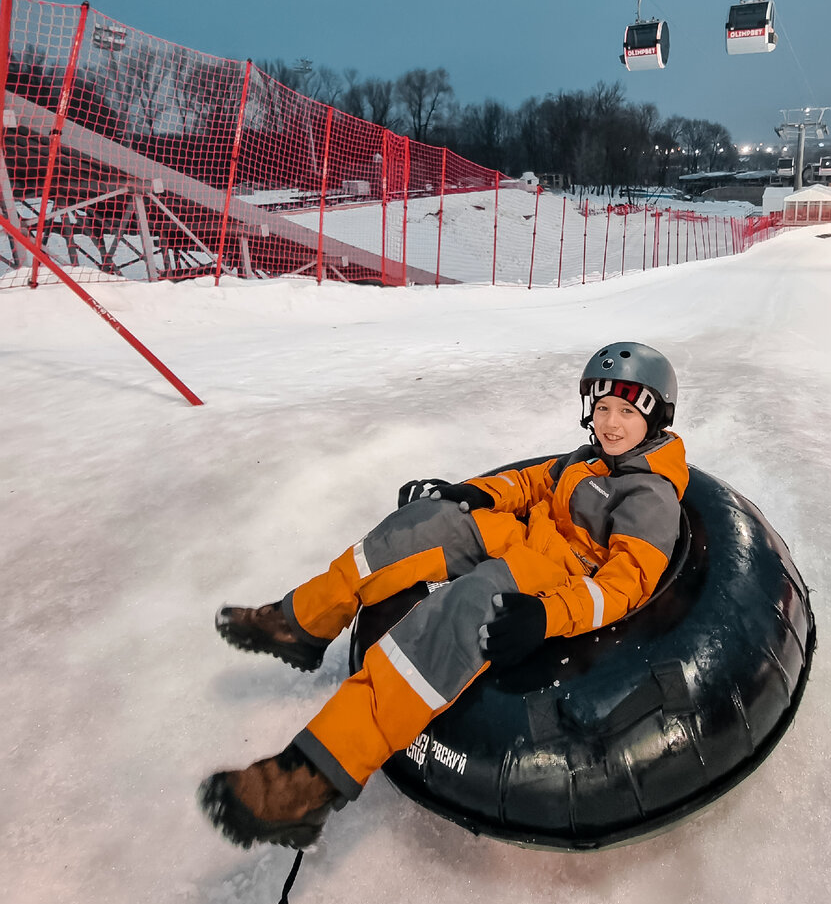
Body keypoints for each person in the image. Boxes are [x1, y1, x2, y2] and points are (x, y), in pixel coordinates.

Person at [198, 342, 688, 849]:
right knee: (422, 524)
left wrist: (545, 617)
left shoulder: (649, 495)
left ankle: (309, 780)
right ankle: (301, 622)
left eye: (627, 411)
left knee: (462, 609)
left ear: (654, 418)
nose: (611, 422)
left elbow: (624, 586)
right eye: (603, 407)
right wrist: (478, 492)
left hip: (560, 579)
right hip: (525, 542)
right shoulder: (587, 459)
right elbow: (533, 483)